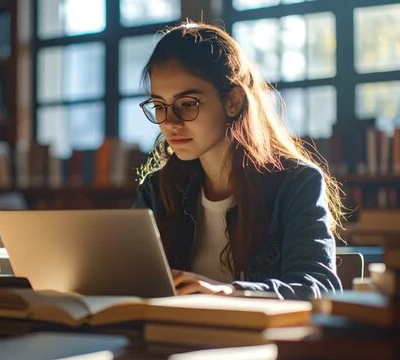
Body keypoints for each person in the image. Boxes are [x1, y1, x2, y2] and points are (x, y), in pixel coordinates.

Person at [132, 22, 344, 300]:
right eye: (160, 106)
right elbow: (127, 280)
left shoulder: (296, 184)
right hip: (171, 338)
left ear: (233, 101)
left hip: (260, 341)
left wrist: (230, 292)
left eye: (187, 104)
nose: (170, 123)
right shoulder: (157, 189)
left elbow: (318, 286)